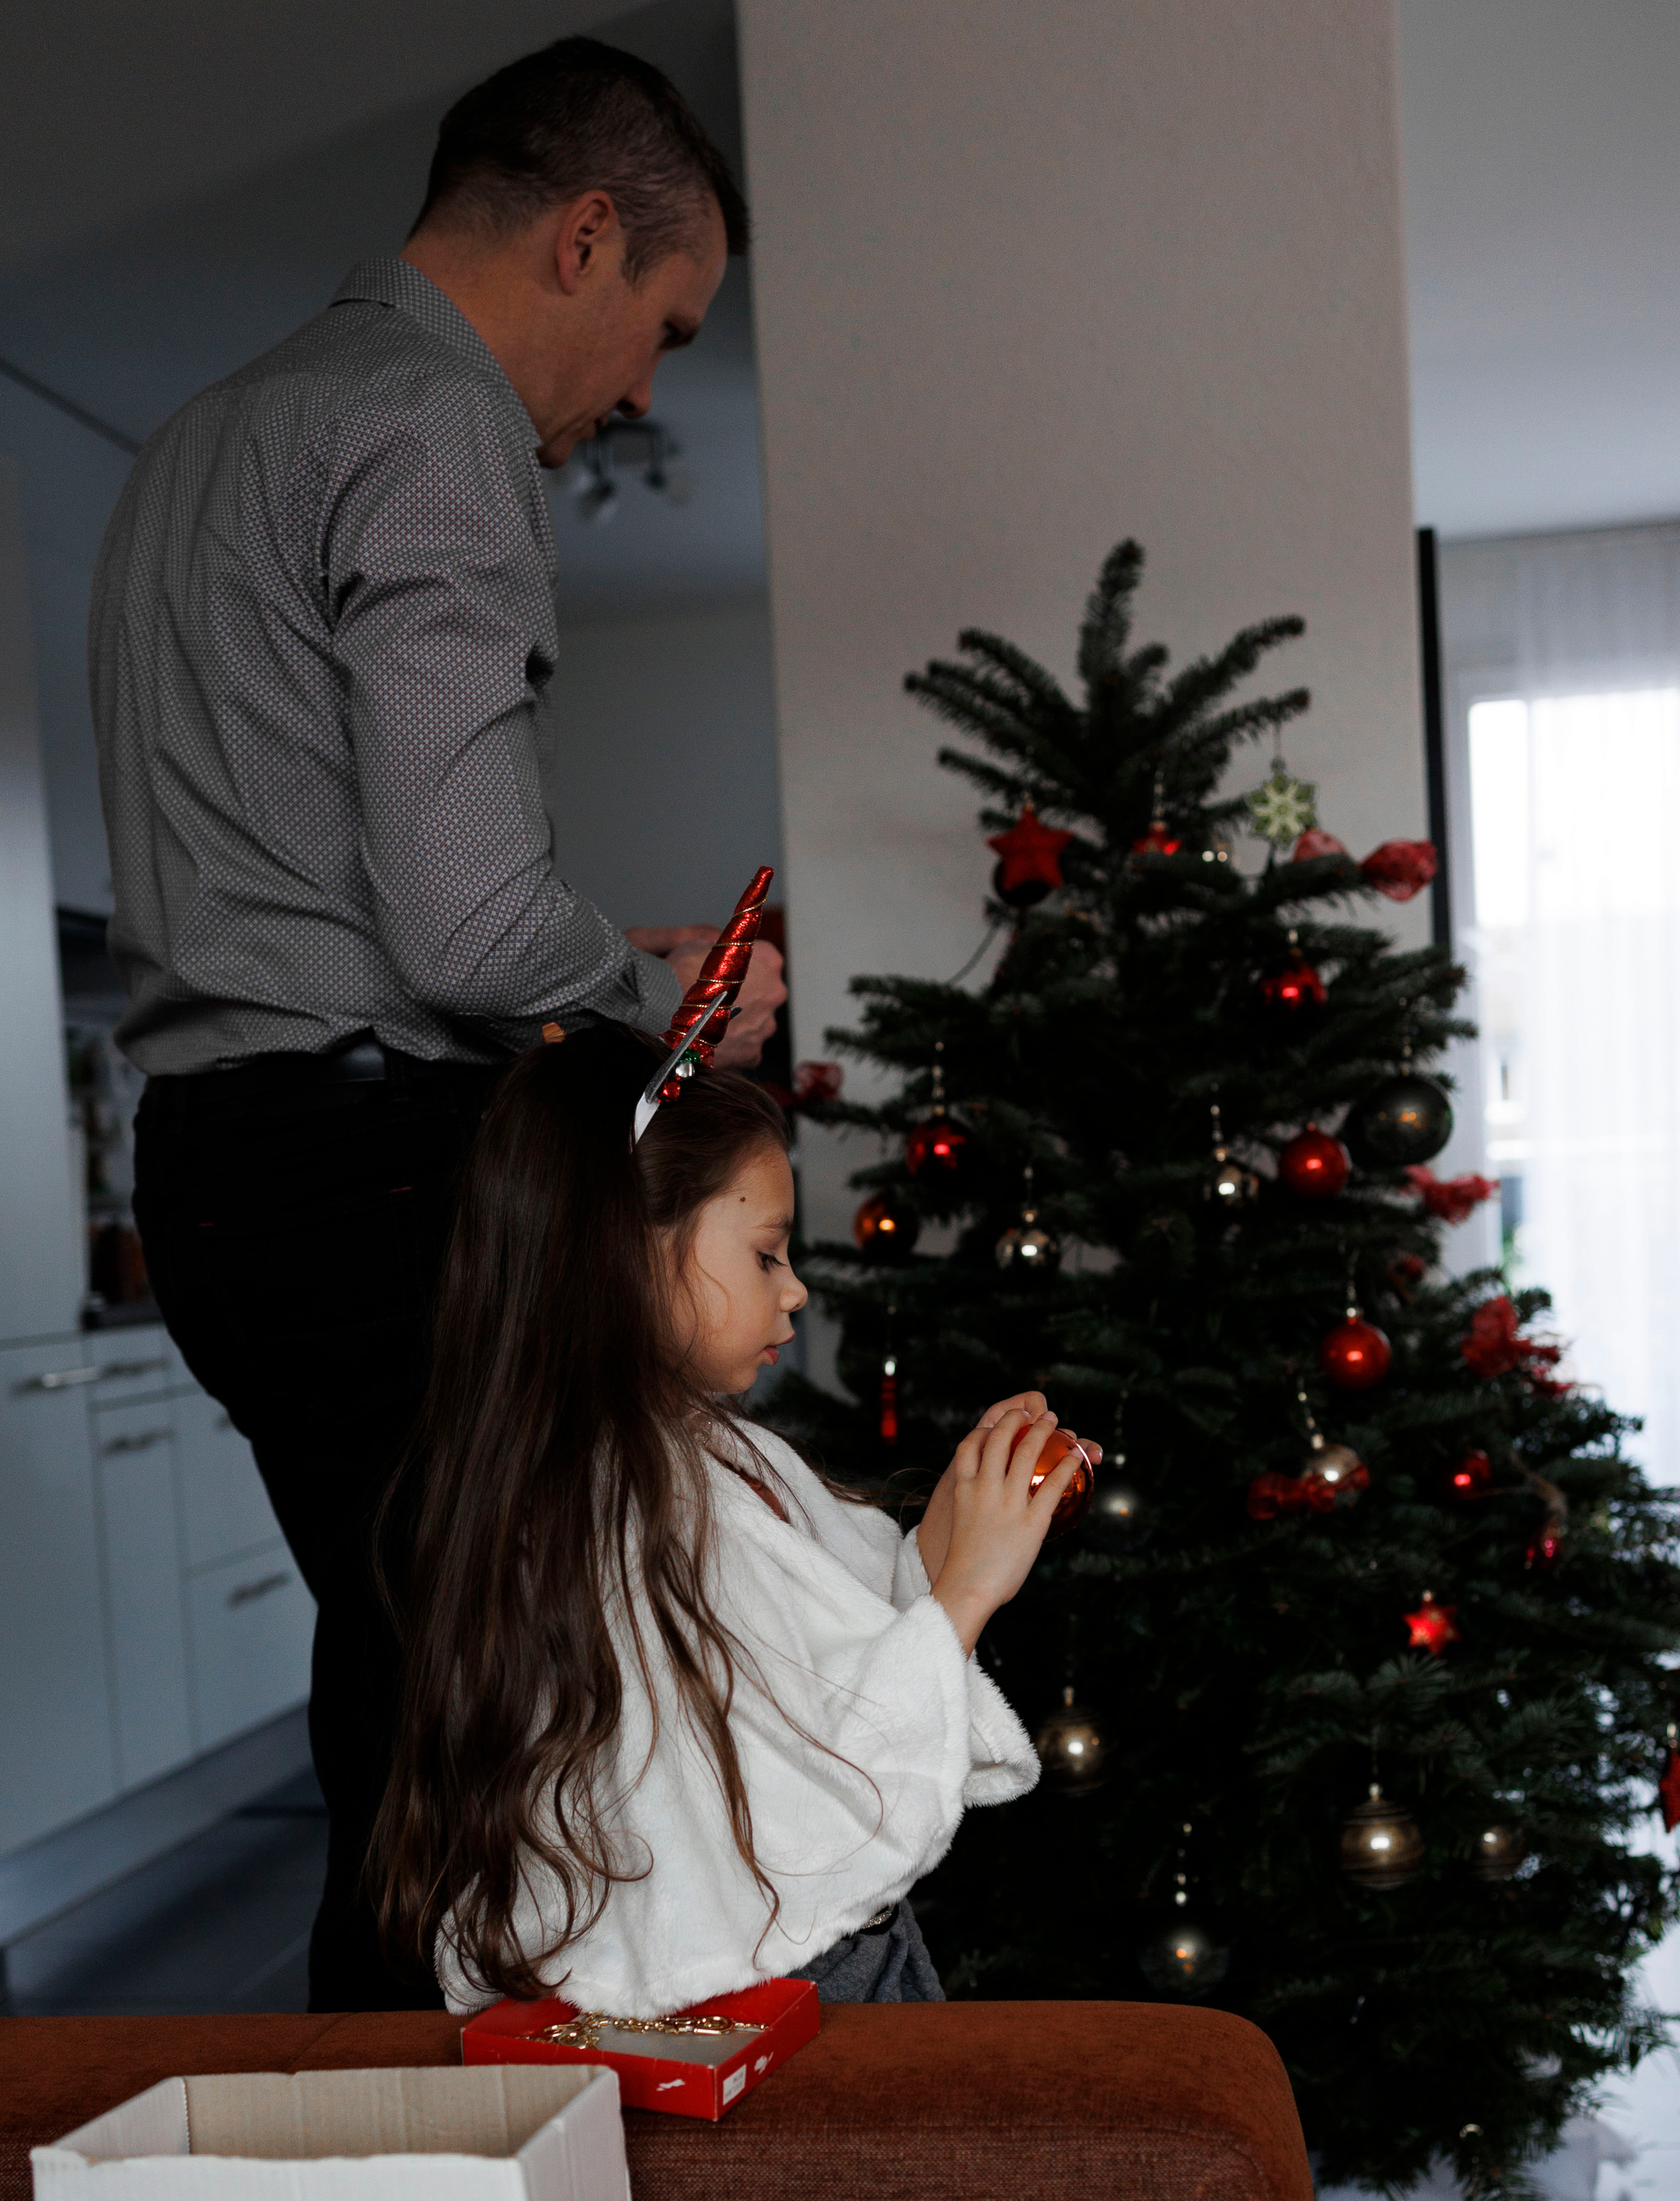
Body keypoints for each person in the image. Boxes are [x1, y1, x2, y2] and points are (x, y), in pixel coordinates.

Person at [89, 39, 784, 2009]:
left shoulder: (213, 431)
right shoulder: (428, 417)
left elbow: (343, 875)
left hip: (230, 1166)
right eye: (662, 321)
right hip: (378, 1174)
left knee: (408, 1712)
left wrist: (601, 961)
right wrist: (682, 1002)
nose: (649, 386)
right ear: (583, 235)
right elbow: (476, 919)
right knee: (473, 1756)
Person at [372, 1027, 1097, 2016]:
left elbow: (819, 1641)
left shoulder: (700, 1451)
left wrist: (955, 1531)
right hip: (763, 1991)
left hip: (799, 1966)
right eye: (766, 1255)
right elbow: (812, 1826)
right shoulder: (615, 1509)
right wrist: (969, 1590)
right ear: (625, 1250)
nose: (795, 1290)